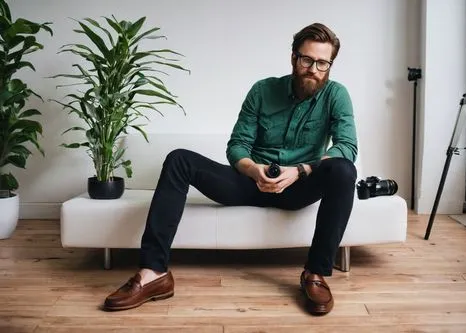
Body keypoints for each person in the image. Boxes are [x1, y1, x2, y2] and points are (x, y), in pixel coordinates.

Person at [103, 22, 357, 316]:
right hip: (248, 182)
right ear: (293, 57)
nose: (313, 68)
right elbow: (237, 145)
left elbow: (346, 147)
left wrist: (299, 171)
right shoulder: (263, 90)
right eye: (306, 59)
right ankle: (153, 273)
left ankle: (315, 274)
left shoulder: (336, 95)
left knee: (344, 171)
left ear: (330, 65)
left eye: (322, 63)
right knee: (179, 159)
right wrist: (253, 170)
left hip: (296, 187)